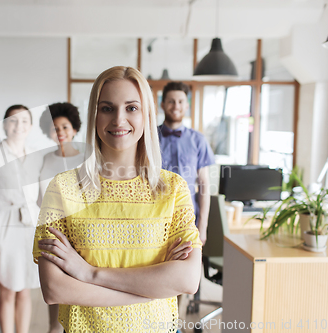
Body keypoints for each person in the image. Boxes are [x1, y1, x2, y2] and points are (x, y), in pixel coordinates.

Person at [33, 66, 202, 333]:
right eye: (107, 108)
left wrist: (88, 273)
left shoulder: (172, 189)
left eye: (132, 108)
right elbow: (54, 288)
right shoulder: (63, 189)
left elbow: (189, 279)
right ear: (94, 115)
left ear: (146, 115)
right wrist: (153, 287)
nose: (119, 119)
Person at [0, 105, 42, 333]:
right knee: (7, 288)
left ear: (30, 126)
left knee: (25, 287)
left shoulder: (36, 154)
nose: (19, 126)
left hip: (30, 226)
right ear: (5, 125)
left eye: (24, 121)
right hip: (4, 225)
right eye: (13, 121)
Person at [38, 102, 85, 333]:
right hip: (53, 236)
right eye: (55, 128)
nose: (60, 132)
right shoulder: (46, 160)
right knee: (54, 306)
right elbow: (40, 199)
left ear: (74, 128)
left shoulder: (87, 159)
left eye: (65, 127)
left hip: (81, 238)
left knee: (79, 303)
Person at [158, 81, 215, 245]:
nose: (176, 106)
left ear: (187, 105)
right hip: (155, 216)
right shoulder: (149, 138)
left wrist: (202, 227)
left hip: (189, 220)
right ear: (162, 104)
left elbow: (204, 184)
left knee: (189, 269)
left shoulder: (198, 140)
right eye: (171, 101)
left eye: (181, 101)